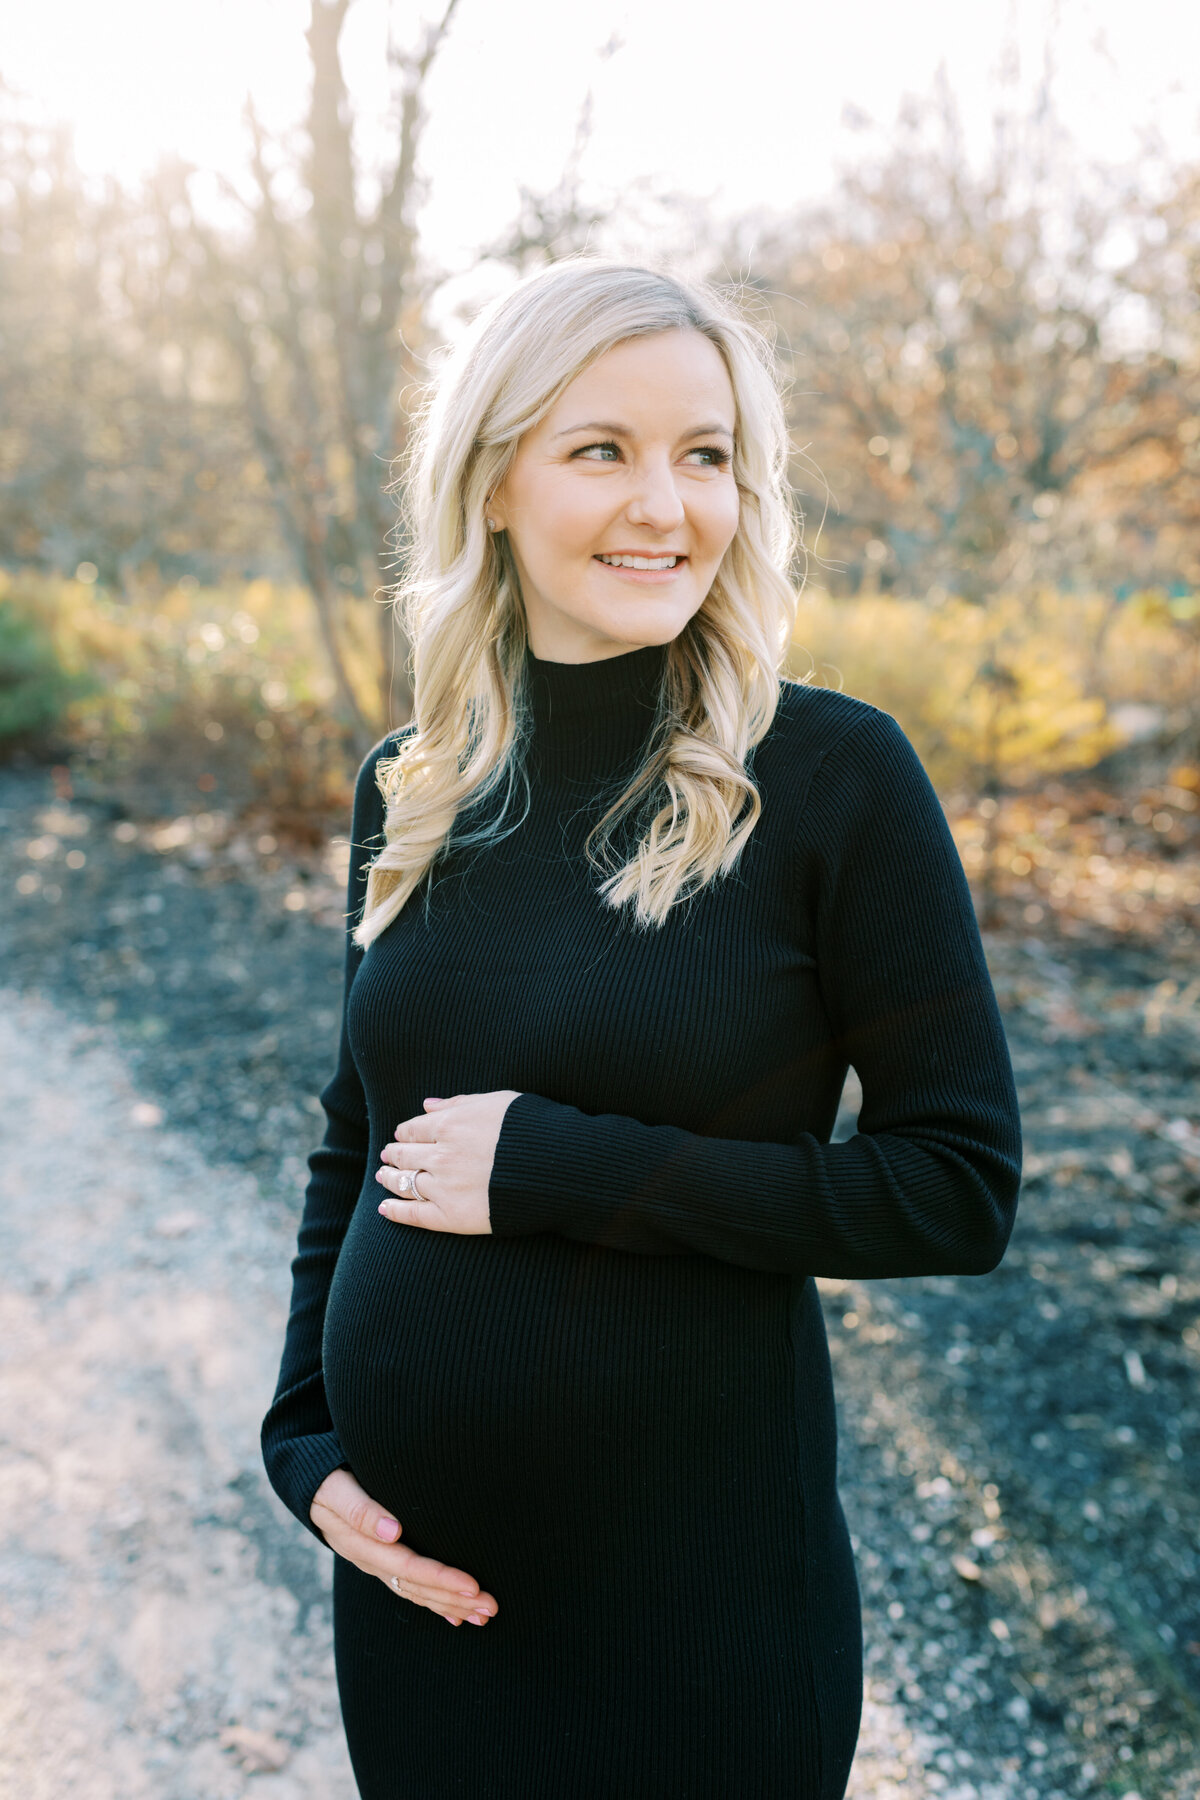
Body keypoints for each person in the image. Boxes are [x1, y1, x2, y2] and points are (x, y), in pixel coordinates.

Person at [261, 257, 1022, 1800]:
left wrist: (562, 1171)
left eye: (708, 454)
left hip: (695, 1620)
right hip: (423, 1605)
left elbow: (956, 1185)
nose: (664, 505)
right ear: (491, 482)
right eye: (601, 449)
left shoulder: (830, 781)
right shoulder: (416, 782)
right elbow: (361, 1134)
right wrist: (305, 1443)